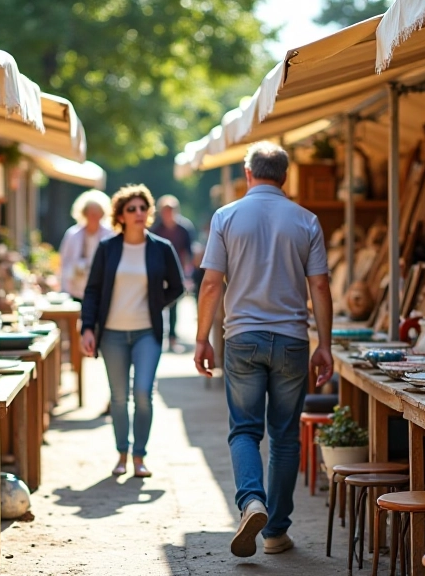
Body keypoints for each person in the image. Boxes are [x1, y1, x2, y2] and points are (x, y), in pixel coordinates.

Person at [194, 142, 334, 557]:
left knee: (244, 430)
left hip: (242, 339)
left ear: (248, 173)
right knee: (286, 438)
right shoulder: (306, 220)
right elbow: (321, 286)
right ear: (285, 176)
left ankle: (251, 501)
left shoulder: (226, 216)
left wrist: (202, 337)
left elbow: (211, 284)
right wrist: (324, 344)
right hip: (292, 340)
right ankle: (275, 532)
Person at [80, 184, 185, 478]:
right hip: (112, 334)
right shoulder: (107, 248)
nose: (139, 213)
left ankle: (140, 456)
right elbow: (92, 291)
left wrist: (155, 303)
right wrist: (87, 327)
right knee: (117, 397)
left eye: (143, 208)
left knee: (142, 393)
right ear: (121, 216)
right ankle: (121, 455)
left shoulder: (161, 248)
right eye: (132, 209)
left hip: (146, 334)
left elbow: (177, 287)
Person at [150, 195, 195, 352]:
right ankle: (158, 336)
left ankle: (172, 337)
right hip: (158, 270)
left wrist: (188, 274)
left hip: (177, 271)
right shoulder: (155, 228)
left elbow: (189, 252)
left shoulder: (184, 228)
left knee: (174, 303)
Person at [58, 189, 115, 302]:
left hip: (101, 290)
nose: (93, 216)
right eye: (90, 212)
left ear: (102, 214)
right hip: (75, 289)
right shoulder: (73, 234)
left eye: (96, 212)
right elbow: (64, 261)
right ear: (84, 213)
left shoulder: (110, 234)